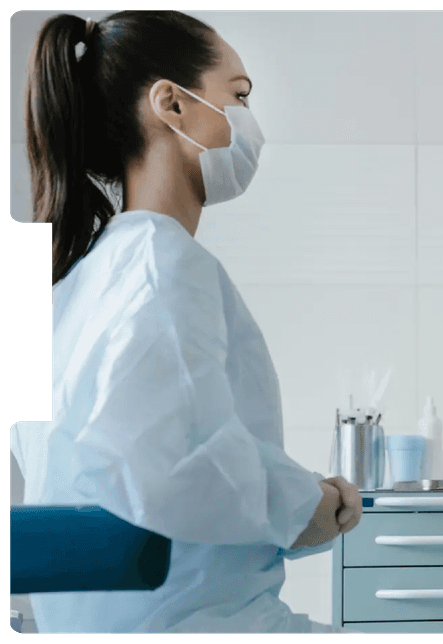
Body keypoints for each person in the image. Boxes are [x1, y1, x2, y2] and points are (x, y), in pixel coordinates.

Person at [9, 10, 364, 633]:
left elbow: (133, 475)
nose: (249, 123)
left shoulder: (73, 282)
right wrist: (309, 501)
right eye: (238, 96)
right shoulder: (158, 257)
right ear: (171, 105)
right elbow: (167, 460)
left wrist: (299, 510)